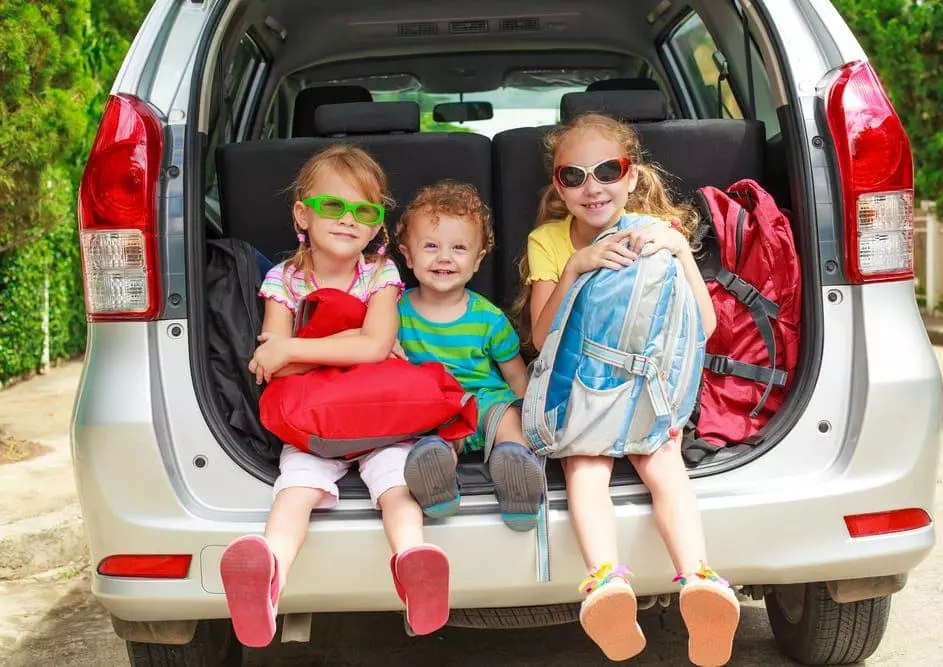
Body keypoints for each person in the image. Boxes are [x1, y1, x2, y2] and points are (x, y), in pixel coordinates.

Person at [512, 113, 740, 665]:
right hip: (582, 388)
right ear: (559, 186)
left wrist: (679, 251)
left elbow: (705, 328)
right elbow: (542, 339)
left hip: (647, 392)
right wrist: (576, 267)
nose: (593, 187)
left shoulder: (659, 235)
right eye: (574, 176)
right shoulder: (548, 241)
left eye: (607, 170)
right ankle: (608, 584)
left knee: (662, 459)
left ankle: (699, 579)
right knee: (584, 464)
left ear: (632, 176)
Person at [219, 145, 450, 647]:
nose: (348, 220)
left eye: (365, 211)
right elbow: (274, 362)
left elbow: (374, 344)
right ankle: (268, 574)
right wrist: (348, 347)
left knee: (397, 487)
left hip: (377, 417)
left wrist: (305, 350)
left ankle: (413, 562)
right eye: (332, 206)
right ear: (302, 212)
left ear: (376, 227)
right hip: (314, 421)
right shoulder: (282, 279)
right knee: (295, 489)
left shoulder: (380, 274)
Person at [393, 181, 545, 532]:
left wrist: (529, 415)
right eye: (430, 246)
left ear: (477, 260)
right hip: (438, 405)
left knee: (508, 421)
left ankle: (517, 474)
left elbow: (516, 376)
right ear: (407, 254)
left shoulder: (488, 317)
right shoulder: (395, 311)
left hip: (487, 400)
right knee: (433, 439)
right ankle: (439, 483)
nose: (444, 257)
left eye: (458, 248)